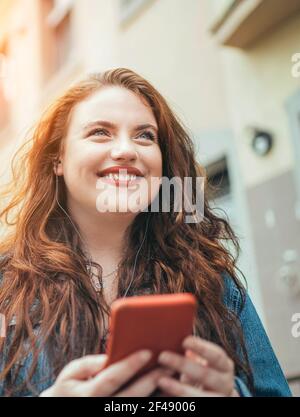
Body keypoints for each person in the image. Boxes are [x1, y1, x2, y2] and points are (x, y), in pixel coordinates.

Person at [0, 68, 291, 397]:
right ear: (58, 159)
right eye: (100, 132)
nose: (126, 150)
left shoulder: (214, 281)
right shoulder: (6, 287)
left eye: (145, 136)